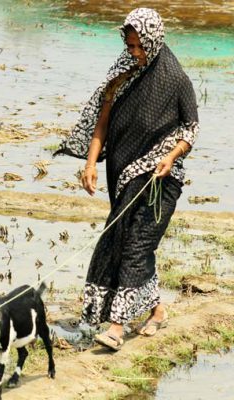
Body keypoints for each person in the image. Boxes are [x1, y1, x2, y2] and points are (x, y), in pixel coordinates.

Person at [54, 8, 198, 350]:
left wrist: (169, 157)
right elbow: (102, 122)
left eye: (139, 47)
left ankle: (115, 328)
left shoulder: (175, 79)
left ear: (153, 39)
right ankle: (157, 310)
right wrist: (90, 164)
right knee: (124, 241)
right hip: (121, 175)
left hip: (161, 180)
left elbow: (190, 130)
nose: (134, 53)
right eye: (130, 46)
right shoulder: (121, 73)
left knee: (134, 246)